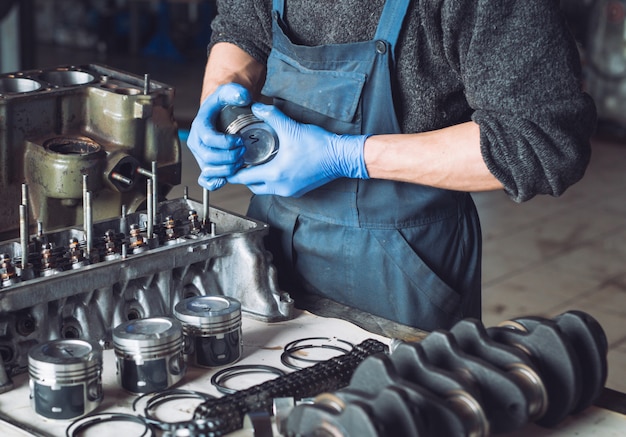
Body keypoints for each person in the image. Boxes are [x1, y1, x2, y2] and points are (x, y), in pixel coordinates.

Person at [187, 0, 596, 331]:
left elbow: (542, 140)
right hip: (274, 236)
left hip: (405, 265)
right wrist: (220, 102)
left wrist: (346, 155)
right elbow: (245, 28)